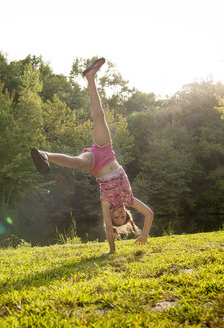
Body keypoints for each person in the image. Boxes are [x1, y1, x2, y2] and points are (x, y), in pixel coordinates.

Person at [31, 58, 154, 254]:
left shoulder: (106, 203)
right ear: (128, 215)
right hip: (106, 150)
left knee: (78, 163)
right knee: (99, 115)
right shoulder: (129, 199)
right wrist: (144, 235)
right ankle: (91, 77)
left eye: (117, 219)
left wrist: (112, 251)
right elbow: (149, 213)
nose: (120, 216)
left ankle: (45, 155)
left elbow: (107, 227)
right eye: (124, 217)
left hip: (96, 164)